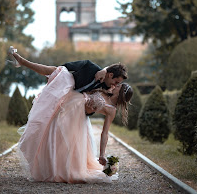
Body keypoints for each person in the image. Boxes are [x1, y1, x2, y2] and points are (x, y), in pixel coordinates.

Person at [8, 47, 133, 183]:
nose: (116, 85)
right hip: (70, 98)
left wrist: (102, 154)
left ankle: (57, 169)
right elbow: (112, 70)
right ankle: (21, 60)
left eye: (118, 85)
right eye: (117, 83)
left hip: (77, 116)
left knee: (62, 141)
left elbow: (105, 133)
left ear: (120, 93)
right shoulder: (105, 82)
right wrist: (104, 69)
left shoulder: (110, 103)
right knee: (56, 72)